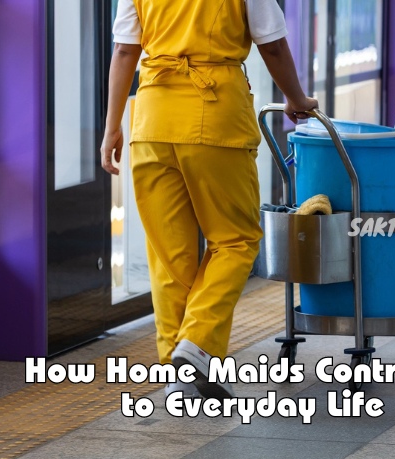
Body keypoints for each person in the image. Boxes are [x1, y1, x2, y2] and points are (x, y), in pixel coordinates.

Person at [101, 0, 317, 401]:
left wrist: (112, 126)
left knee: (169, 257)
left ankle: (179, 373)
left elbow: (125, 50)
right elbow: (271, 44)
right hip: (213, 113)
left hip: (151, 119)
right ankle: (197, 343)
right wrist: (296, 99)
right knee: (235, 241)